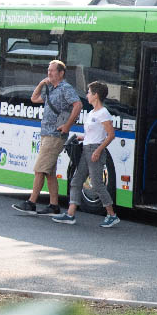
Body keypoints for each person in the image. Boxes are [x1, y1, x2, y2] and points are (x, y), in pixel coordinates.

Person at [13, 60, 82, 215]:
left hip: (55, 135)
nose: (49, 73)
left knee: (39, 170)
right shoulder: (51, 88)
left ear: (61, 73)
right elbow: (34, 98)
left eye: (52, 71)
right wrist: (41, 84)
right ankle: (54, 206)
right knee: (50, 172)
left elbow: (78, 105)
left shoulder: (66, 88)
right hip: (46, 134)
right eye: (48, 70)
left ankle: (31, 203)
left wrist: (67, 125)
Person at [51, 81, 119, 228]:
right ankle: (70, 214)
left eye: (89, 92)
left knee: (97, 185)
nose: (87, 95)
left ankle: (112, 215)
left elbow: (111, 135)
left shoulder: (103, 113)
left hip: (95, 151)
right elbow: (93, 133)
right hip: (86, 150)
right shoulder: (91, 113)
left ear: (95, 95)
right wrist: (82, 137)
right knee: (76, 181)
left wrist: (98, 150)